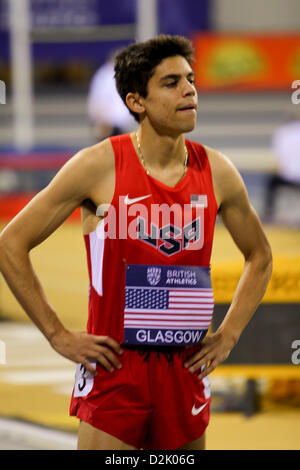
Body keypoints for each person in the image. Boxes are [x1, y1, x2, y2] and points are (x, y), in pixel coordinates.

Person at [0, 35, 272, 450]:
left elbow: (260, 256)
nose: (190, 90)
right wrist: (56, 334)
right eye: (171, 83)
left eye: (191, 79)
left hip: (185, 371)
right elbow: (10, 244)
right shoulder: (97, 166)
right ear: (136, 101)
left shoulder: (218, 172)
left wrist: (230, 333)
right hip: (116, 370)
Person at [87, 53, 135, 142]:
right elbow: (98, 101)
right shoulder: (104, 76)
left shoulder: (130, 73)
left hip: (127, 122)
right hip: (110, 122)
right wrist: (102, 120)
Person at [264, 112, 300, 223]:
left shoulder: (282, 133)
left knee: (271, 182)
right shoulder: (283, 133)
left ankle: (269, 212)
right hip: (292, 176)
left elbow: (280, 161)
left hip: (287, 176)